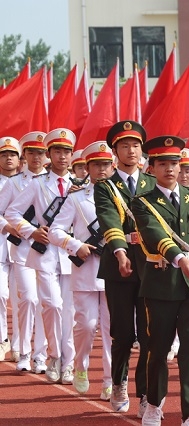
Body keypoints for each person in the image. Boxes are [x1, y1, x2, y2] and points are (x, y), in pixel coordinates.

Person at [132, 135, 189, 426]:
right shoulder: (143, 202)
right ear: (151, 168)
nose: (170, 169)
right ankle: (154, 404)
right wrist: (179, 257)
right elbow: (155, 235)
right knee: (158, 349)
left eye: (174, 163)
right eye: (163, 164)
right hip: (160, 285)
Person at [5, 128, 78, 385]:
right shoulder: (37, 184)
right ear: (50, 155)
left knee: (68, 310)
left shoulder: (79, 186)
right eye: (57, 151)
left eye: (66, 151)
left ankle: (67, 363)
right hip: (44, 253)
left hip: (70, 256)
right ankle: (54, 355)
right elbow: (13, 213)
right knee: (52, 305)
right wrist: (31, 231)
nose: (62, 156)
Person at [94, 120, 154, 415]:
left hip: (150, 268)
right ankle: (118, 381)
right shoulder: (105, 186)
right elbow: (109, 219)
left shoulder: (152, 184)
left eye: (136, 145)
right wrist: (120, 252)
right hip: (118, 268)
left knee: (147, 335)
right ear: (115, 151)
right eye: (125, 146)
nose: (131, 150)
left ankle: (143, 393)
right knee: (121, 333)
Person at [48, 141, 114, 399]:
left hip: (115, 270)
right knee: (86, 325)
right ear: (87, 167)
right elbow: (55, 231)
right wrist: (76, 245)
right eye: (96, 164)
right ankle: (81, 366)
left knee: (112, 329)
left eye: (106, 164)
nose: (101, 169)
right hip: (86, 268)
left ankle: (111, 379)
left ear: (112, 166)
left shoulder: (122, 197)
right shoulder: (76, 198)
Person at [0, 132, 48, 373]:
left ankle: (40, 355)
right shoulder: (14, 182)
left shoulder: (55, 182)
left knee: (45, 303)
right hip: (21, 248)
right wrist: (12, 227)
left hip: (50, 251)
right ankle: (22, 349)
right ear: (25, 156)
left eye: (40, 152)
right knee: (27, 299)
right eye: (31, 152)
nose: (36, 157)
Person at [0, 137, 21, 362]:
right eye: (4, 155)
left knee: (20, 297)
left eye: (12, 155)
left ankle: (18, 342)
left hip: (23, 248)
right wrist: (4, 225)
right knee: (0, 294)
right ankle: (1, 339)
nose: (8, 158)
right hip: (0, 244)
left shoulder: (28, 182)